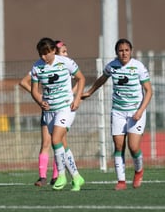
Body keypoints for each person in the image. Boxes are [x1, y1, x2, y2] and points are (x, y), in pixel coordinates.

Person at [82, 38, 152, 190]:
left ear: (131, 51)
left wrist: (140, 111)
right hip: (118, 112)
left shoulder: (138, 67)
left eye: (127, 50)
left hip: (136, 112)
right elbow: (102, 79)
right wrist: (89, 92)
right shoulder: (112, 66)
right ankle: (121, 181)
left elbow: (149, 91)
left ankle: (138, 171)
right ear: (116, 53)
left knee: (133, 147)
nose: (124, 53)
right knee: (118, 146)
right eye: (121, 50)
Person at [20, 40, 80, 187]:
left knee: (55, 140)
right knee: (61, 144)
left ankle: (60, 176)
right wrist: (40, 101)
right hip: (49, 110)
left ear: (53, 50)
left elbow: (81, 78)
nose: (43, 56)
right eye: (41, 53)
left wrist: (77, 98)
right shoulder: (37, 66)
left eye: (46, 53)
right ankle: (76, 177)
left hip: (66, 107)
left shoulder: (66, 62)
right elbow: (33, 89)